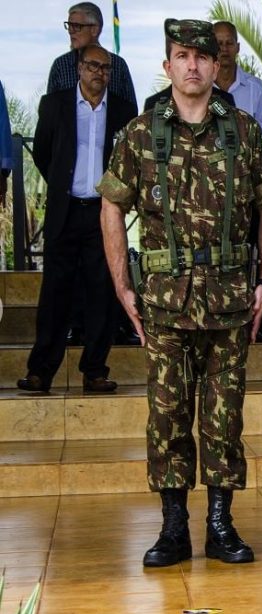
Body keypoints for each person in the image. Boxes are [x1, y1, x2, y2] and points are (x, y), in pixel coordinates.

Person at [97, 19, 262, 568]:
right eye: (183, 56)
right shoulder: (141, 133)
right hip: (163, 303)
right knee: (168, 414)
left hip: (229, 301)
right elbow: (112, 204)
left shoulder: (244, 131)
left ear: (216, 65)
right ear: (168, 65)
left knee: (224, 415)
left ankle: (221, 523)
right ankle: (174, 525)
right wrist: (121, 285)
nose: (194, 66)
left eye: (203, 56)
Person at [18, 44, 135, 395]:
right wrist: (63, 186)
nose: (98, 73)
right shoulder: (55, 105)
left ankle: (95, 371)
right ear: (80, 68)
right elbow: (42, 153)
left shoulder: (123, 111)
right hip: (65, 211)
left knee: (101, 292)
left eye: (105, 68)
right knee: (55, 292)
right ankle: (41, 371)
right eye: (92, 66)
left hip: (103, 213)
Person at [47, 2, 136, 106]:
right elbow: (49, 111)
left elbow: (131, 112)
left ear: (95, 29)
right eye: (69, 26)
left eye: (76, 26)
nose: (71, 31)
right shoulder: (61, 65)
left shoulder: (118, 65)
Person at [213, 21, 262, 136]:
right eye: (219, 43)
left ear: (238, 47)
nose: (224, 48)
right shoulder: (200, 86)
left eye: (229, 43)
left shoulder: (256, 88)